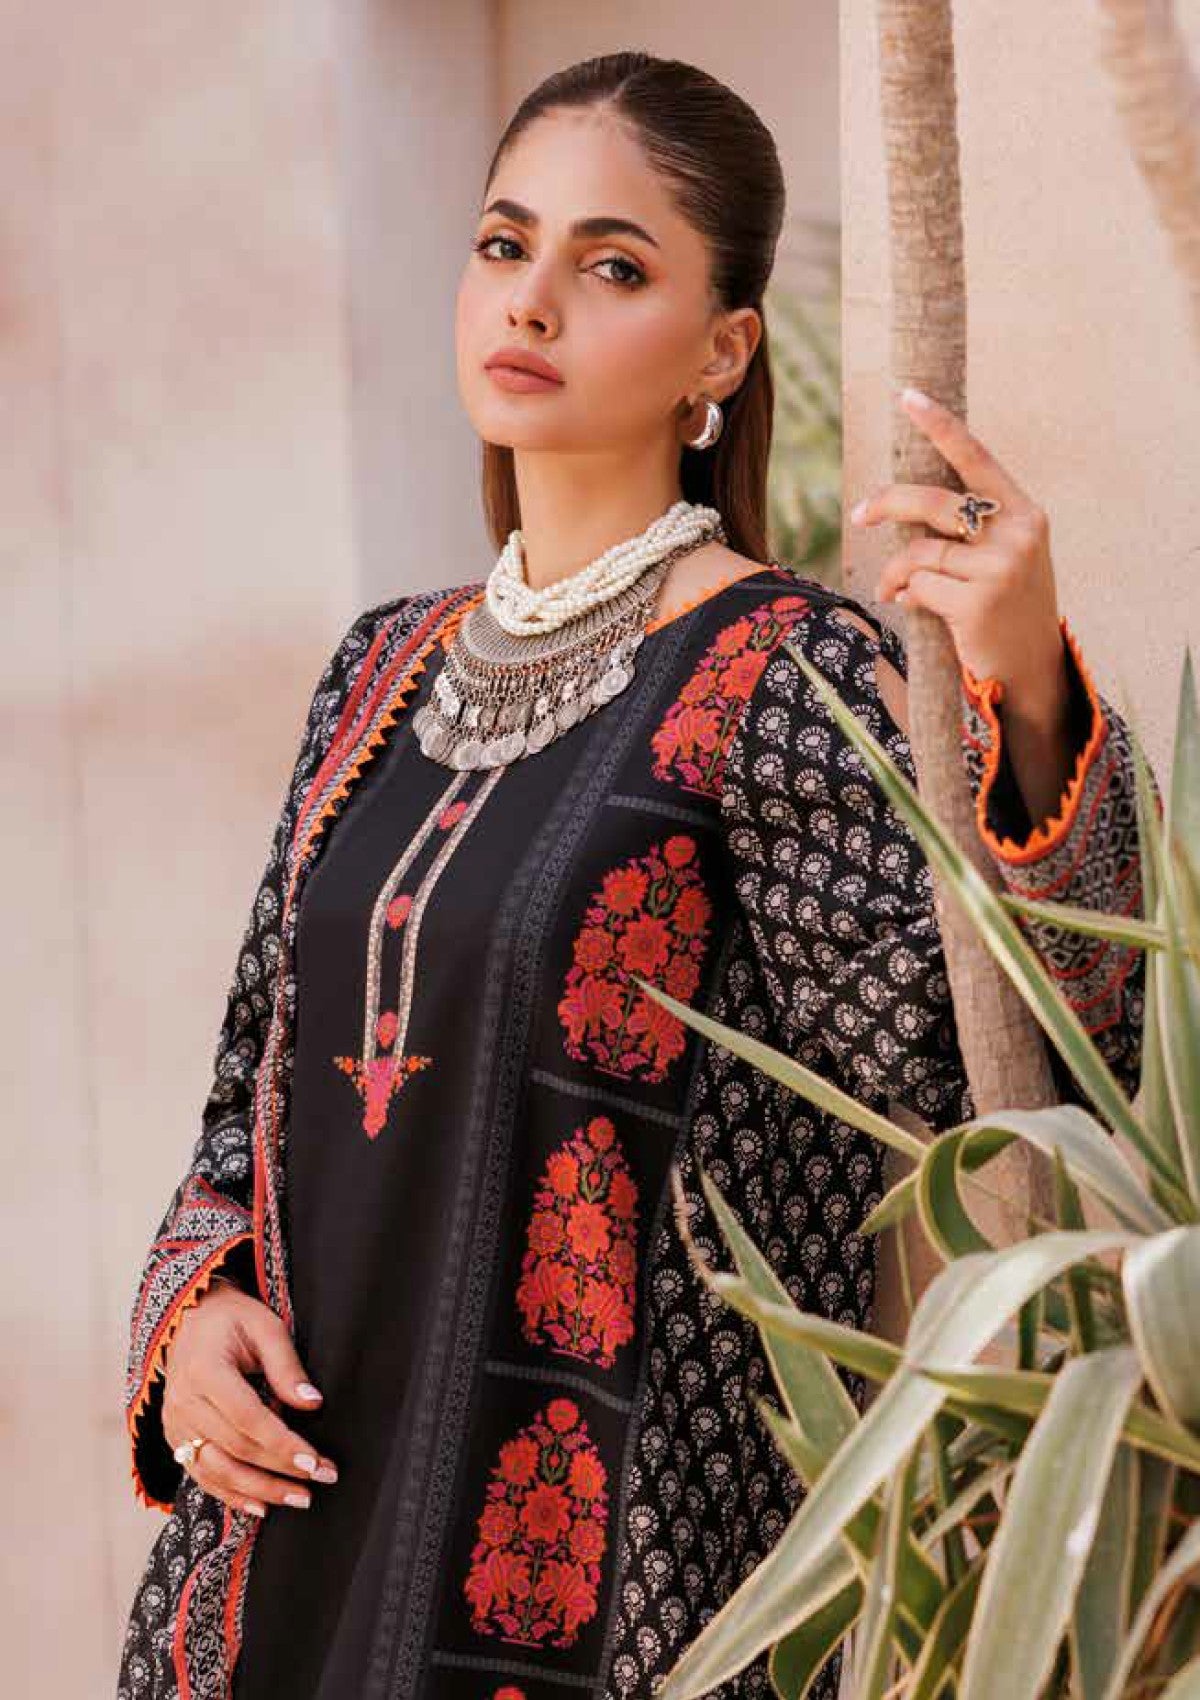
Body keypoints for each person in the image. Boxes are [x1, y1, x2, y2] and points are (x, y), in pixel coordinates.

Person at [116, 51, 1153, 1700]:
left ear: (722, 352)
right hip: (285, 1565)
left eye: (611, 267)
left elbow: (978, 1069)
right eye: (503, 244)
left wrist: (1023, 692)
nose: (530, 300)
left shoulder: (781, 675)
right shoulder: (378, 672)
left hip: (617, 1592)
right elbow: (252, 1085)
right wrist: (195, 1318)